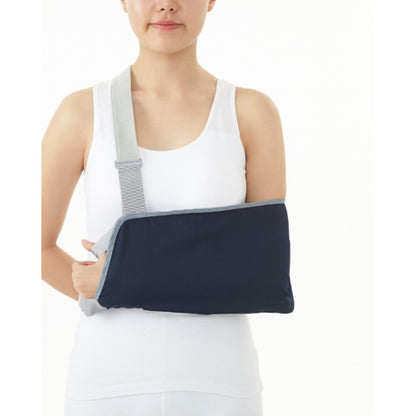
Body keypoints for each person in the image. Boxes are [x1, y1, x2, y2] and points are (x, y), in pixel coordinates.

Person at [41, 0, 287, 415]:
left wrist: (122, 278)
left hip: (221, 385)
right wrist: (104, 286)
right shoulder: (80, 113)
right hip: (108, 384)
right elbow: (31, 244)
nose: (166, 5)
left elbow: (263, 268)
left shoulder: (249, 112)